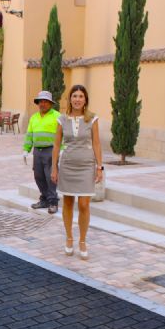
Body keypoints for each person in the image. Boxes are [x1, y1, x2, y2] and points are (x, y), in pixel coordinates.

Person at [51, 85, 103, 260]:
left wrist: (99, 166)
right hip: (67, 166)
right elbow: (57, 145)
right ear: (70, 99)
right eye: (75, 96)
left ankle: (82, 240)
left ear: (85, 99)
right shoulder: (62, 119)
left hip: (87, 166)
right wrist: (54, 167)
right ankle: (69, 238)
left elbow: (97, 144)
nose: (78, 99)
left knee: (84, 205)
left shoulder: (92, 119)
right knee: (67, 203)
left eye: (81, 96)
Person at [23, 90, 61, 214]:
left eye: (45, 101)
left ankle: (53, 202)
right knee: (38, 176)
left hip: (51, 150)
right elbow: (29, 135)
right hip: (37, 151)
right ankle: (44, 199)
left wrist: (63, 149)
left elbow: (63, 135)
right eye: (40, 101)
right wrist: (26, 149)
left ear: (50, 103)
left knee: (51, 177)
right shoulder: (34, 118)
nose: (42, 104)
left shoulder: (57, 116)